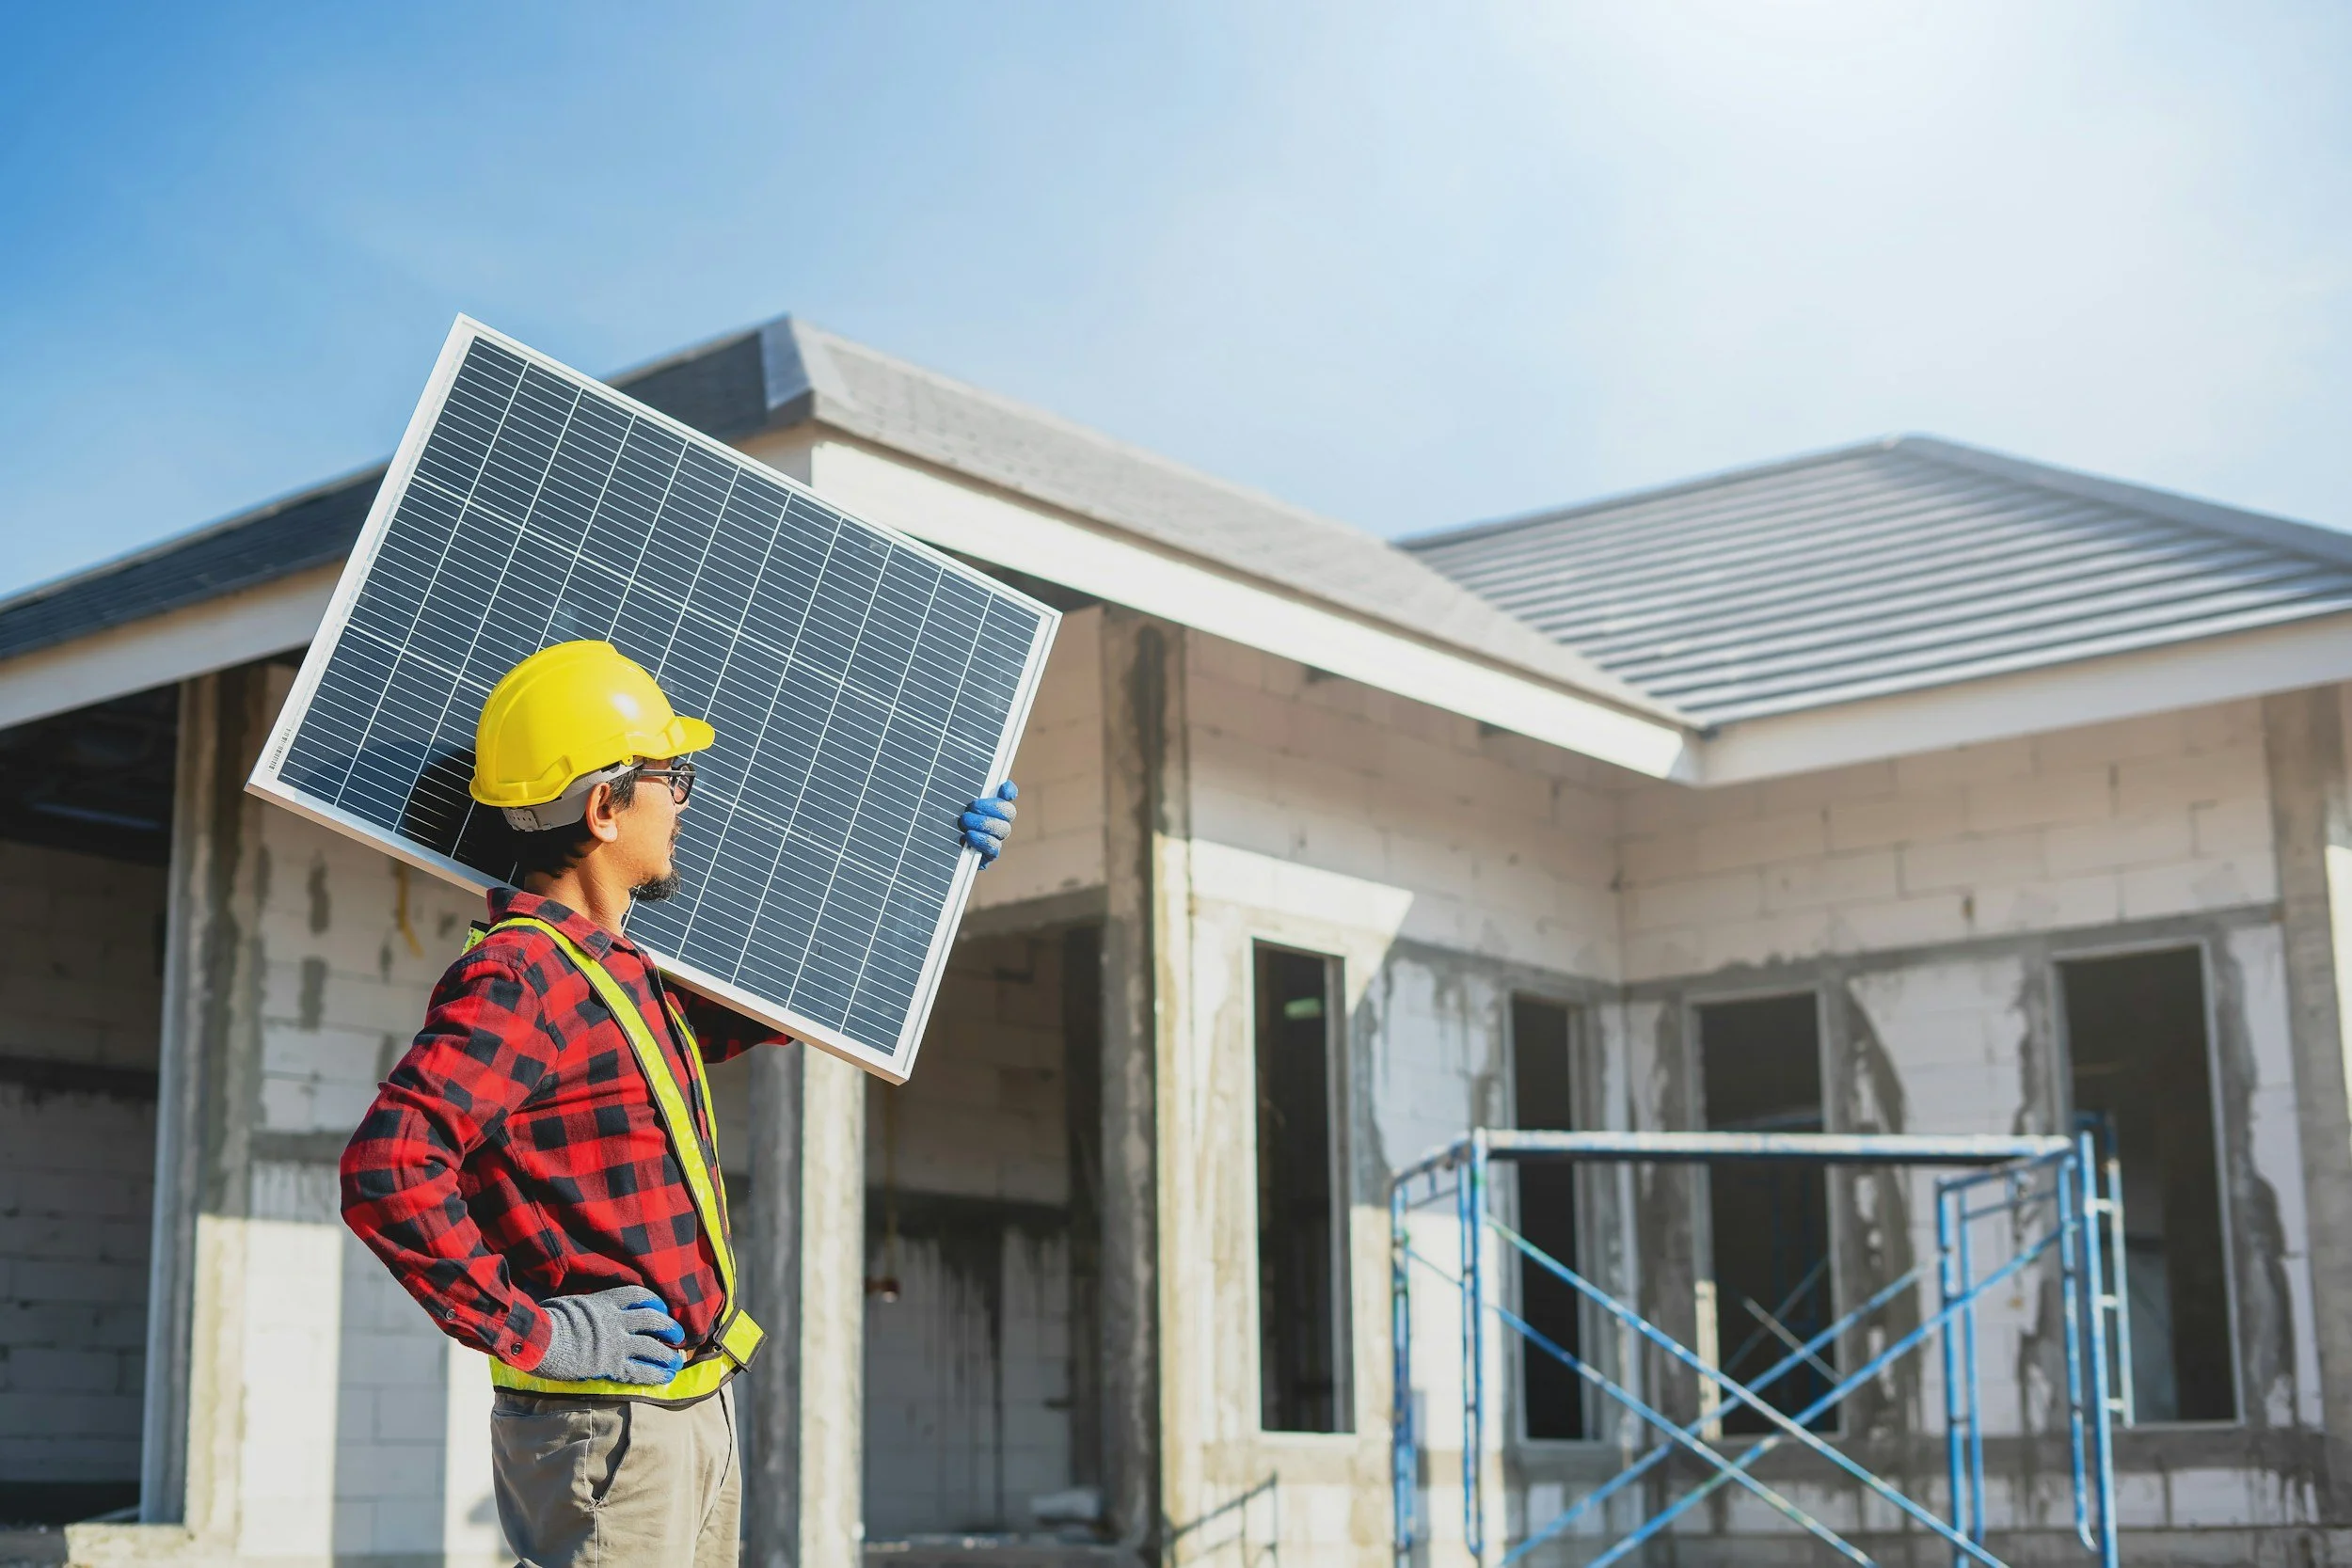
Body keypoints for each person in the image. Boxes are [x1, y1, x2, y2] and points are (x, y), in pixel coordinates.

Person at [340, 640, 1019, 1568]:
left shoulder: (609, 972)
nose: (686, 801)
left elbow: (773, 1005)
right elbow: (389, 1168)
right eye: (674, 776)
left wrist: (934, 881)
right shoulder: (520, 973)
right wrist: (542, 1331)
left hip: (682, 1413)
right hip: (610, 1436)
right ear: (604, 805)